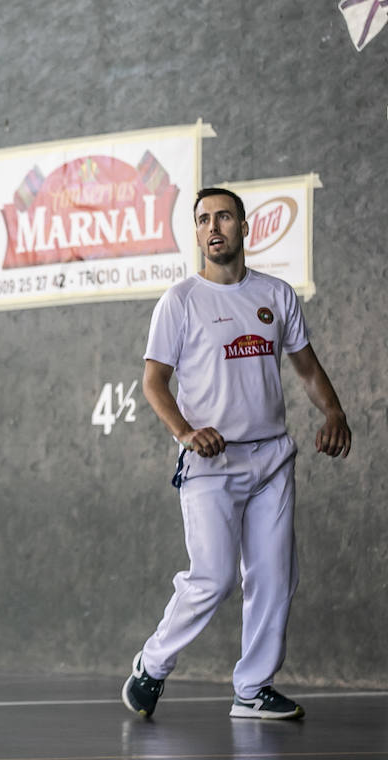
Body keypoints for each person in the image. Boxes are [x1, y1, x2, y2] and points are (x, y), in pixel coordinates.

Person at [121, 187, 351, 721]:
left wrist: (333, 413)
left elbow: (308, 368)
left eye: (224, 216)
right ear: (197, 232)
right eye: (203, 219)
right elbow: (154, 383)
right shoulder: (180, 301)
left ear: (244, 227)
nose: (213, 227)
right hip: (210, 465)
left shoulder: (276, 294)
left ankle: (252, 688)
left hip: (271, 458)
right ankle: (152, 666)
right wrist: (185, 432)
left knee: (274, 576)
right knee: (214, 576)